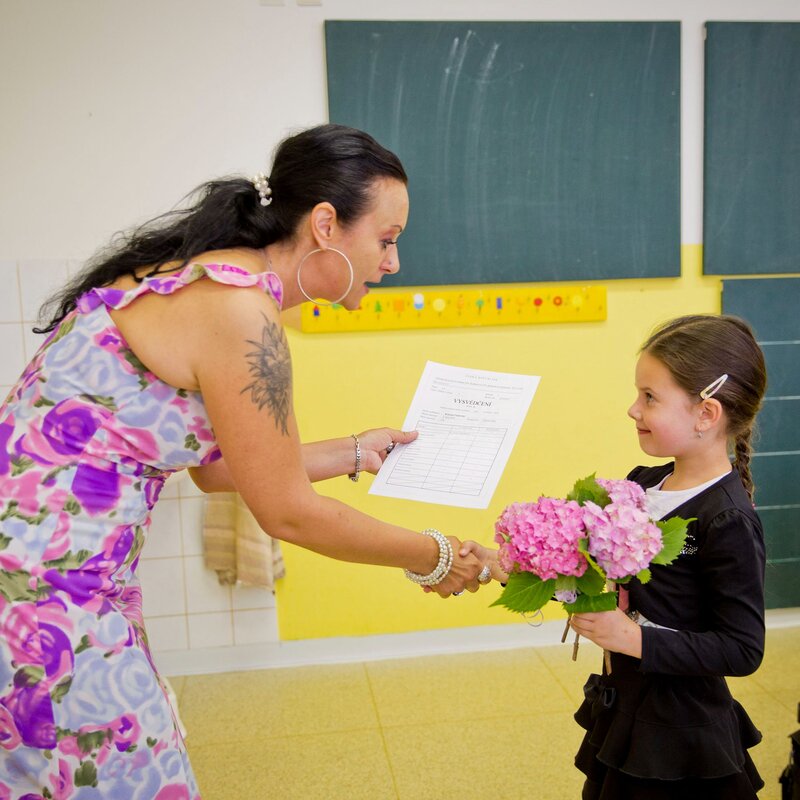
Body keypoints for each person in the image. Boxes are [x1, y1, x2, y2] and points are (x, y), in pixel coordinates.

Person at [0, 124, 488, 799]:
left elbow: (218, 470)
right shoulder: (240, 312)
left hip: (39, 580)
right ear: (325, 224)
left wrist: (354, 451)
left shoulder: (210, 279)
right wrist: (433, 553)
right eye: (387, 239)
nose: (392, 263)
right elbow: (286, 510)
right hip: (42, 596)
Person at [568, 314, 767, 799]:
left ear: (706, 414)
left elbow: (743, 649)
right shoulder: (640, 484)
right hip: (628, 704)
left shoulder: (727, 520)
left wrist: (634, 638)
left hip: (680, 730)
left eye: (650, 398)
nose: (633, 410)